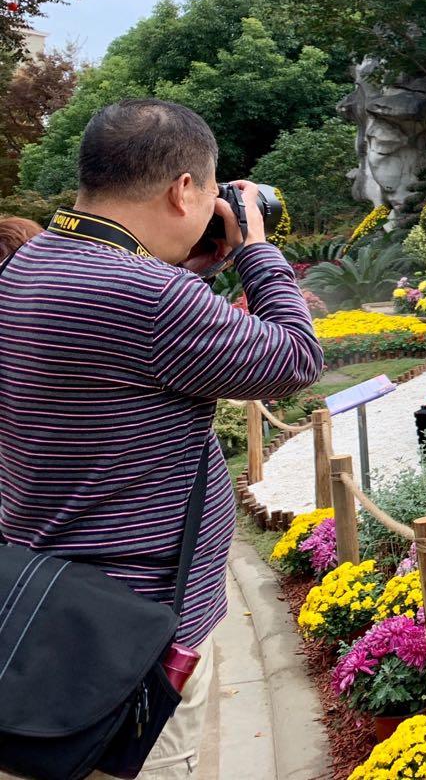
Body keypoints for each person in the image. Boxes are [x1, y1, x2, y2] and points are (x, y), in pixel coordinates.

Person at [0, 99, 322, 779]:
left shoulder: (29, 268)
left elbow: (127, 347)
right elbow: (294, 358)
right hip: (128, 645)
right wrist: (256, 252)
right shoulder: (146, 294)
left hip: (39, 612)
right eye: (210, 192)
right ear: (183, 190)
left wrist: (191, 266)